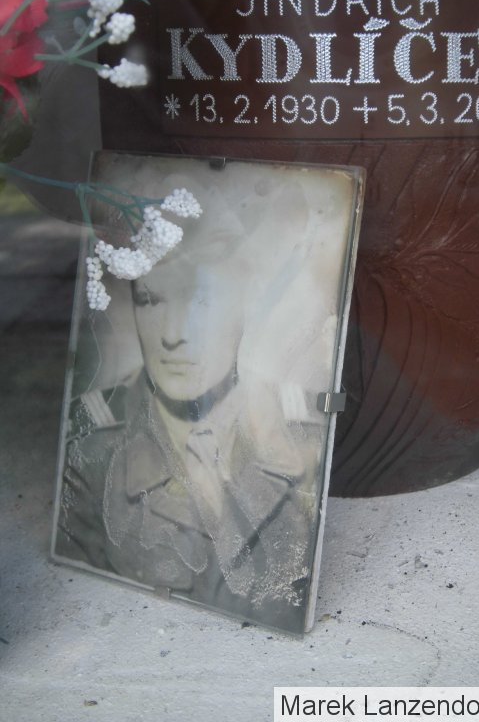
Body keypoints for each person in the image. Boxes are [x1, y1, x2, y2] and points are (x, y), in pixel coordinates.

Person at [54, 180, 325, 634]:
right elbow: (80, 601)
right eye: (150, 299)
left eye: (202, 300)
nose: (172, 334)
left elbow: (287, 591)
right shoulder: (91, 444)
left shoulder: (304, 432)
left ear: (246, 307)